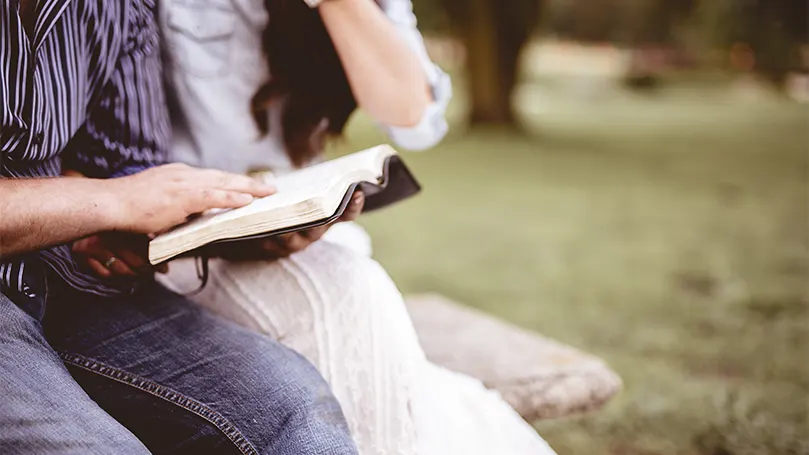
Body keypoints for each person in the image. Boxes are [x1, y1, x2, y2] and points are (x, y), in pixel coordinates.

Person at [73, 0, 559, 453]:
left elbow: (414, 116)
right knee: (345, 298)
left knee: (362, 316)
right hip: (170, 244)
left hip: (297, 231)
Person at [0, 1, 359, 454]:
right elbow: (119, 195)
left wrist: (231, 227)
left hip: (72, 283)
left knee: (295, 413)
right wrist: (110, 202)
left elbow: (125, 170)